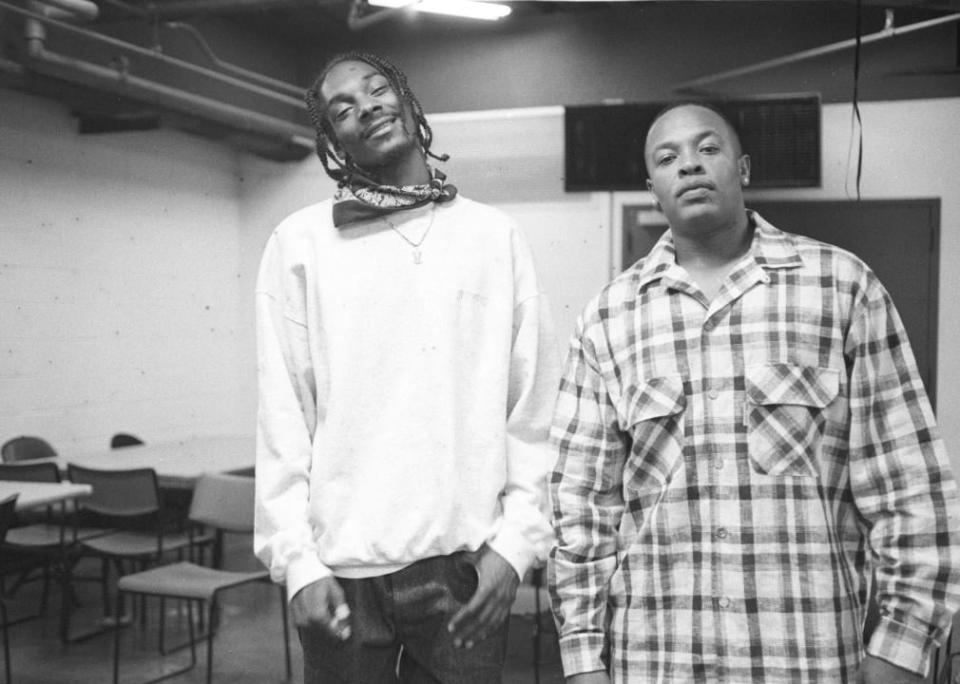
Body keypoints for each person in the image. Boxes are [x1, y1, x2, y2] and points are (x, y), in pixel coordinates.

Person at [548, 101, 960, 683]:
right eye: (668, 158)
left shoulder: (841, 288)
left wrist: (902, 647)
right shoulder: (608, 319)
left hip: (805, 658)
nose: (688, 165)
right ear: (652, 188)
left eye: (707, 148)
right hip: (654, 660)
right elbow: (581, 508)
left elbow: (909, 484)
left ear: (742, 169)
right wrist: (584, 659)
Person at [253, 51, 559, 684]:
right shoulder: (299, 243)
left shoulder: (493, 237)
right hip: (341, 573)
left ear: (408, 101)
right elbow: (283, 411)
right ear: (331, 139)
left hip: (465, 571)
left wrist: (515, 550)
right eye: (342, 108)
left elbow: (533, 410)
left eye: (375, 89)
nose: (365, 106)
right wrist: (298, 563)